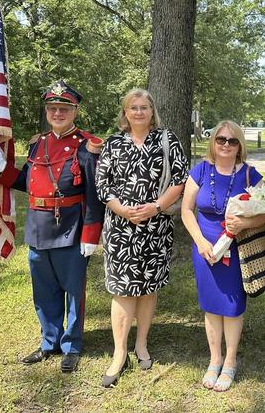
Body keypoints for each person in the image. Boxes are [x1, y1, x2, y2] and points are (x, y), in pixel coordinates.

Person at [0, 80, 105, 373]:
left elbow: (94, 193)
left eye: (63, 109)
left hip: (71, 227)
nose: (57, 113)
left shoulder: (86, 146)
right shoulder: (38, 143)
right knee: (44, 291)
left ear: (74, 111)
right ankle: (49, 341)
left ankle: (72, 345)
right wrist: (2, 169)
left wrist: (91, 234)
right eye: (52, 108)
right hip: (38, 226)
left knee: (73, 291)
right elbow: (28, 181)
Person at [95, 88, 187, 388]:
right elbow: (102, 184)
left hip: (156, 226)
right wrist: (122, 210)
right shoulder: (113, 144)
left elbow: (180, 179)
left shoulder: (167, 140)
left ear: (152, 111)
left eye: (144, 107)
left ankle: (142, 344)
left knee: (148, 287)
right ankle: (119, 352)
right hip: (121, 228)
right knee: (122, 289)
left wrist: (156, 207)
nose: (138, 112)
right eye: (132, 107)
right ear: (125, 112)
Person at [181, 120, 265, 392]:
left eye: (232, 141)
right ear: (213, 142)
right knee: (210, 305)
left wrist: (244, 224)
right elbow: (186, 210)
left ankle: (230, 361)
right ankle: (214, 359)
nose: (226, 145)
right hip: (204, 247)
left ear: (240, 144)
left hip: (235, 247)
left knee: (231, 307)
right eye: (221, 139)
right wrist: (200, 242)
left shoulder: (250, 176)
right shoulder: (200, 170)